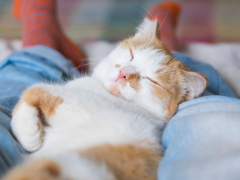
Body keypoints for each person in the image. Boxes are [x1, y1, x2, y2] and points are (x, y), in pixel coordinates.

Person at [0, 0, 240, 179]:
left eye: (152, 81)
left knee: (8, 97)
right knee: (209, 111)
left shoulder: (135, 117)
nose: (126, 73)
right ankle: (163, 41)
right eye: (130, 55)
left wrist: (35, 97)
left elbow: (57, 102)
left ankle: (42, 39)